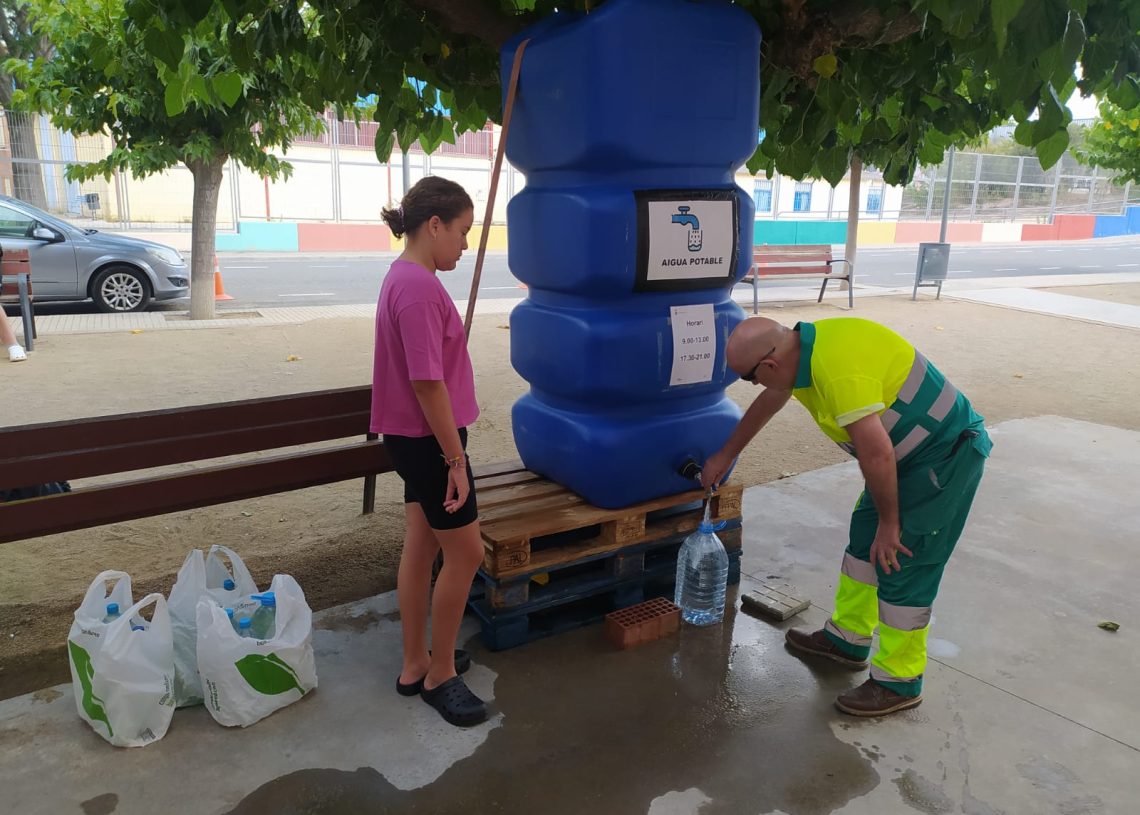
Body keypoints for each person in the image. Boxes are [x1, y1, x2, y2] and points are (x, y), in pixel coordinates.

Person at [702, 316, 991, 717]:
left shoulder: (838, 372)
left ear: (769, 365)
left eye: (750, 378)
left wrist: (890, 524)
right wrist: (725, 454)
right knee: (863, 547)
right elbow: (773, 398)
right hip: (902, 457)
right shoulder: (801, 352)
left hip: (941, 458)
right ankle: (847, 639)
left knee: (902, 557)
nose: (755, 386)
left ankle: (899, 680)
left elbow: (877, 453)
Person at [372, 176, 487, 728]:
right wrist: (455, 460)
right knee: (466, 555)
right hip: (429, 442)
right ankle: (440, 674)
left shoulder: (405, 277)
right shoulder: (417, 288)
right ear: (434, 225)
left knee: (421, 546)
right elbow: (426, 383)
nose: (465, 245)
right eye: (462, 231)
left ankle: (416, 662)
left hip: (414, 439)